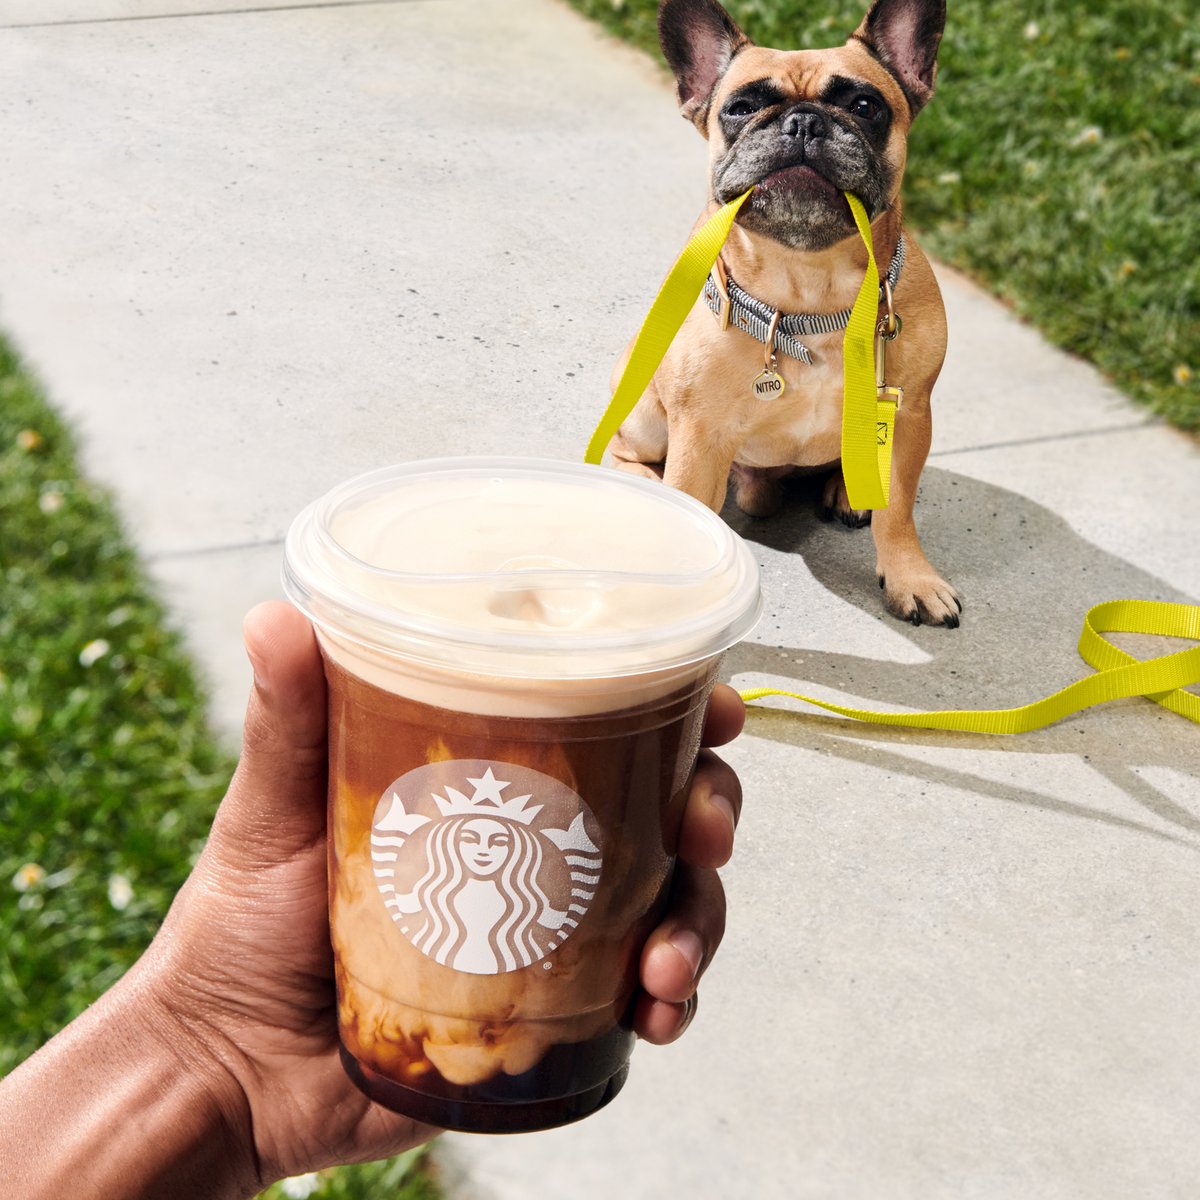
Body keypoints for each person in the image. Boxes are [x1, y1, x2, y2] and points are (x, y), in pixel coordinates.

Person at [0, 601, 746, 1199]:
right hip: (363, 1032)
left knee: (664, 836)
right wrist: (210, 1051)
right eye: (468, 838)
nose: (484, 846)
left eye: (502, 841)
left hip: (568, 1031)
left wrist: (212, 1066)